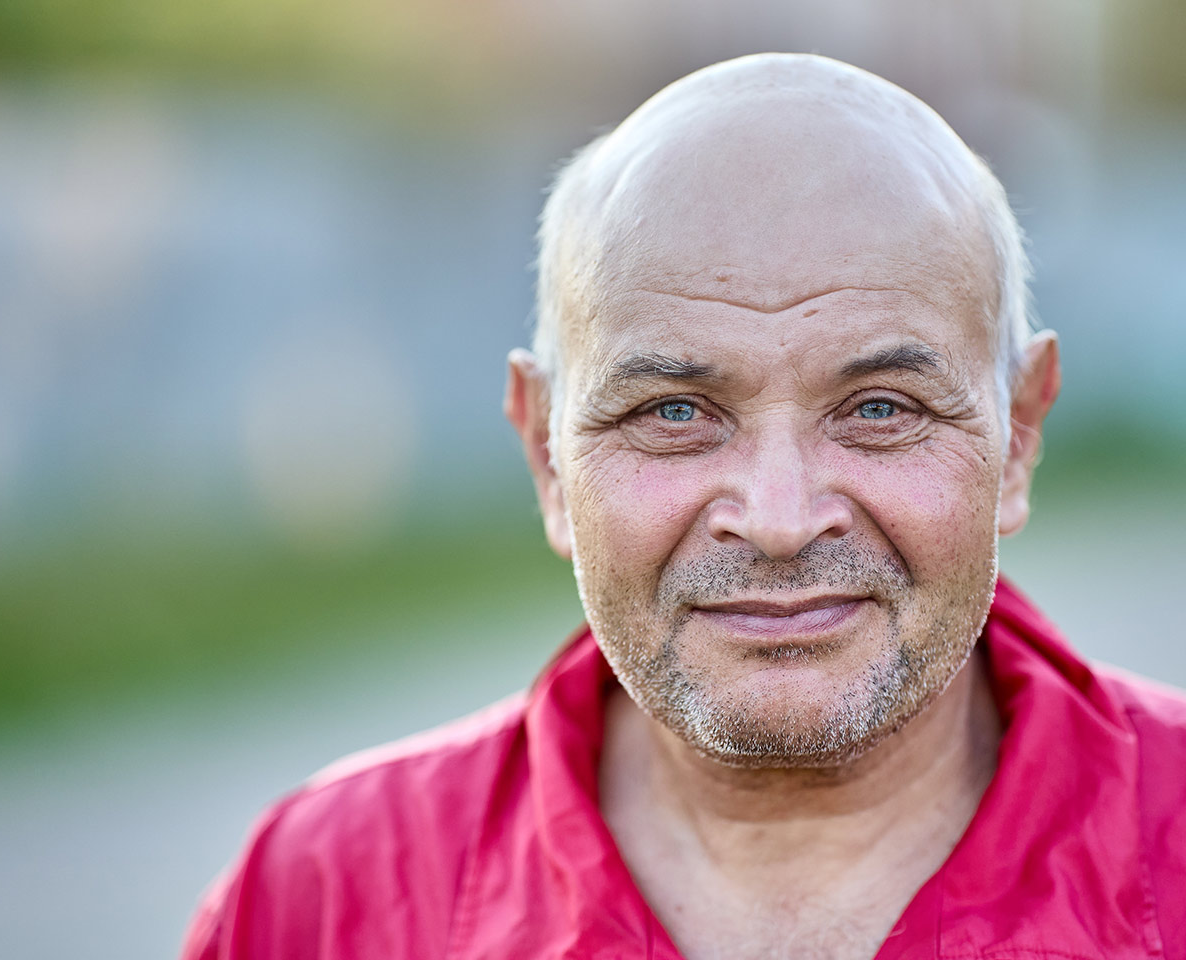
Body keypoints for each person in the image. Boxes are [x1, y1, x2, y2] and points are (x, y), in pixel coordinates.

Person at [181, 53, 1186, 959]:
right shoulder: (322, 900)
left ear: (1016, 435)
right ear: (546, 453)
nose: (781, 518)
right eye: (675, 412)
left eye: (881, 408)